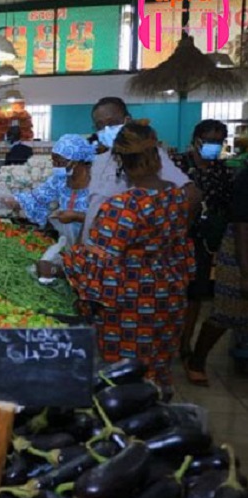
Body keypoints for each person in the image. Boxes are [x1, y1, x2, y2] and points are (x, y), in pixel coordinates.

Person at [53, 123, 195, 390]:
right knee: (157, 367)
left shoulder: (123, 206)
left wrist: (58, 268)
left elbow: (97, 263)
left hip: (130, 305)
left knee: (125, 377)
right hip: (168, 297)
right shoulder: (176, 196)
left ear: (119, 159)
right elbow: (180, 247)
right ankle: (159, 416)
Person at [82, 97, 197, 241]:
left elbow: (192, 194)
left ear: (127, 121)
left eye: (112, 123)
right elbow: (93, 207)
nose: (106, 129)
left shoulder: (146, 156)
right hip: (95, 249)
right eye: (100, 126)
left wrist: (173, 236)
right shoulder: (99, 160)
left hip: (127, 252)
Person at [172, 120, 234, 365]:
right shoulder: (177, 165)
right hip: (173, 238)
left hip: (202, 242)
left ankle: (185, 343)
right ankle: (167, 338)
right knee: (172, 292)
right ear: (196, 140)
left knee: (194, 295)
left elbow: (226, 207)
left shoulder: (222, 171)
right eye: (209, 140)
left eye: (218, 142)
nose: (213, 146)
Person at [186, 164, 248, 385]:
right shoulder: (245, 176)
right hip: (241, 248)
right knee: (228, 309)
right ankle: (197, 360)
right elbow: (241, 224)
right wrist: (245, 271)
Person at [8, 134, 94, 240]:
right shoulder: (59, 179)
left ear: (75, 161)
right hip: (67, 238)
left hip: (94, 241)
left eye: (59, 162)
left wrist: (77, 216)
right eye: (53, 161)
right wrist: (13, 201)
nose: (55, 166)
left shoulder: (98, 183)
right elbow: (38, 197)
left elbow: (107, 217)